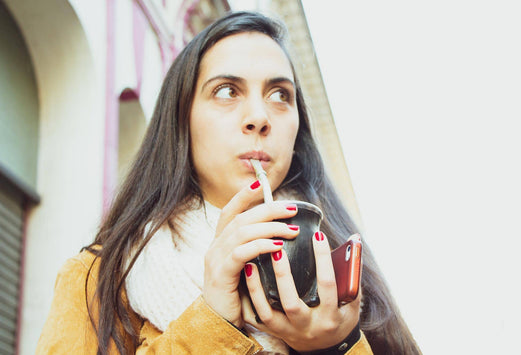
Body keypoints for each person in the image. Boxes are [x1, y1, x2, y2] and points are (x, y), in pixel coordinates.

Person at [36, 11, 420, 355]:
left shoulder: (348, 282)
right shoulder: (95, 282)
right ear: (181, 119)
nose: (259, 117)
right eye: (226, 91)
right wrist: (212, 322)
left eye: (280, 95)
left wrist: (335, 345)